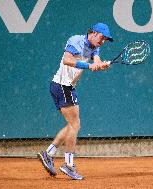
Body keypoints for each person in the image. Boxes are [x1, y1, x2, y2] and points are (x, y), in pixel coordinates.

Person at [37, 23, 113, 180]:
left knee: (72, 124)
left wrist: (101, 65)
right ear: (93, 33)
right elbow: (67, 60)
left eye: (105, 39)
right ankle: (68, 165)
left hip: (66, 87)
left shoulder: (95, 47)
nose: (103, 41)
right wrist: (88, 65)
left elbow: (96, 62)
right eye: (102, 37)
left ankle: (49, 153)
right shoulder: (75, 40)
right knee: (75, 124)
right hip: (62, 85)